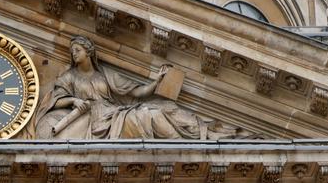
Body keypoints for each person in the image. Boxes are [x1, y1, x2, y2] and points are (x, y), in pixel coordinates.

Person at [34, 34, 229, 139]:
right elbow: (55, 100)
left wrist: (157, 81)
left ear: (88, 52)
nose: (74, 54)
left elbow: (137, 92)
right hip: (95, 121)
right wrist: (75, 100)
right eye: (72, 51)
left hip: (113, 114)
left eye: (77, 50)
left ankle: (200, 135)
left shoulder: (106, 75)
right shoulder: (70, 77)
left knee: (161, 109)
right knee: (147, 115)